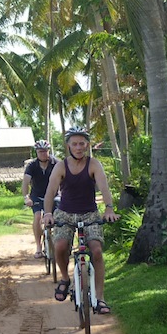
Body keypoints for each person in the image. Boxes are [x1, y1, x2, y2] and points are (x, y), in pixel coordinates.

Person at [44, 127, 118, 313]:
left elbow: (104, 188)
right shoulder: (61, 166)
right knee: (60, 246)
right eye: (75, 144)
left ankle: (100, 298)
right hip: (65, 213)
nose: (78, 147)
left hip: (89, 213)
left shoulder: (94, 164)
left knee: (97, 251)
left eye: (82, 144)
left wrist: (109, 209)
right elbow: (50, 192)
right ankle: (65, 278)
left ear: (87, 145)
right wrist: (47, 214)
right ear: (68, 145)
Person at [22, 139, 57, 257]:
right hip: (37, 196)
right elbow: (26, 182)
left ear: (49, 151)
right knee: (37, 217)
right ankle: (38, 247)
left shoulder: (56, 163)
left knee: (59, 217)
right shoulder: (32, 165)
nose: (43, 153)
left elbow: (64, 179)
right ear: (36, 152)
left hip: (54, 196)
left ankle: (61, 244)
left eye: (45, 151)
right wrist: (26, 197)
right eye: (40, 151)